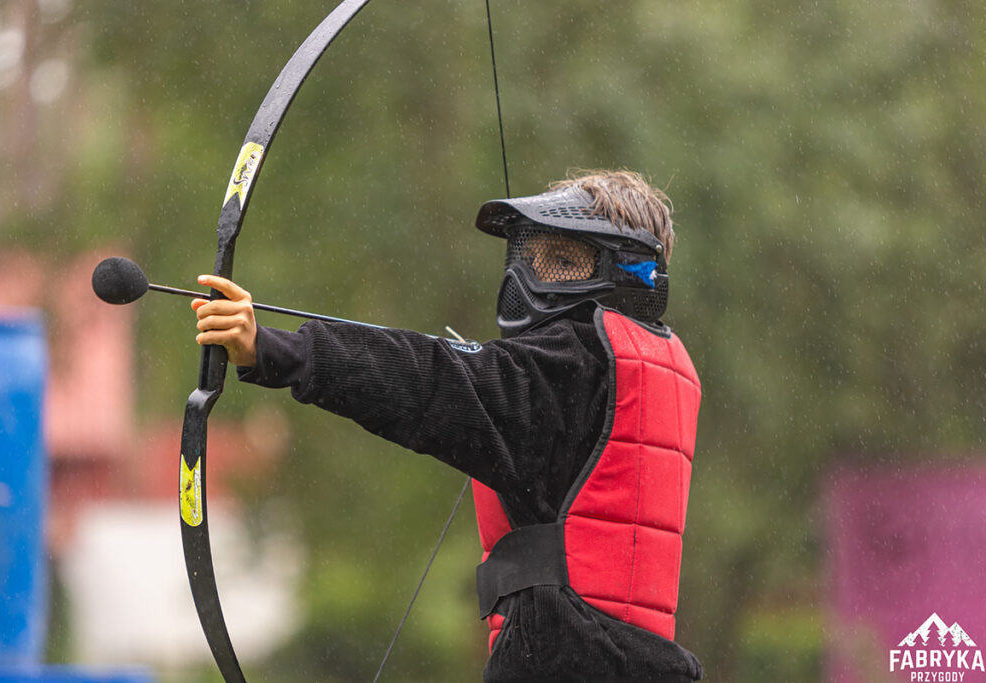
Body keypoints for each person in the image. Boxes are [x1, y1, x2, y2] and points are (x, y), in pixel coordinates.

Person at [192, 170, 704, 683]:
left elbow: (427, 380)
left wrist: (275, 349)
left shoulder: (578, 361)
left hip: (568, 657)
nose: (527, 278)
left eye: (563, 262)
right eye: (530, 257)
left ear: (626, 269)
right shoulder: (651, 365)